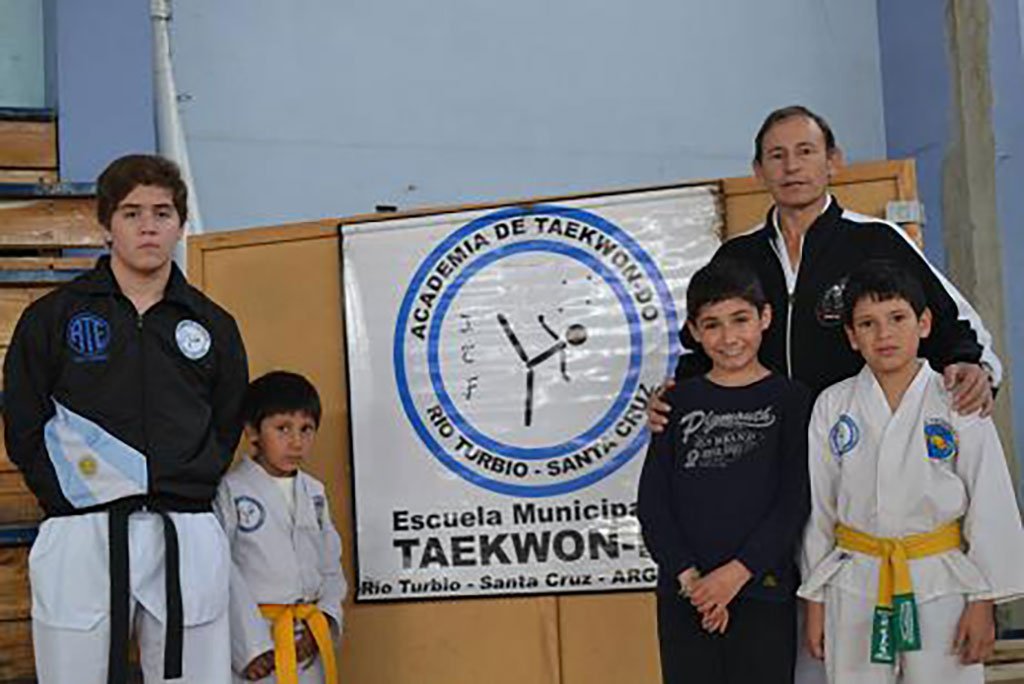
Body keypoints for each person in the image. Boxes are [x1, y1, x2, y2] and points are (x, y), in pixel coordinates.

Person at [3, 154, 249, 683]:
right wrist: (65, 492)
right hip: (83, 526)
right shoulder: (53, 316)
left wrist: (190, 479)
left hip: (184, 526)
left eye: (162, 213)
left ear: (180, 224)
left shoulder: (212, 325)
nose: (148, 226)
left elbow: (227, 419)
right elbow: (23, 417)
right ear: (106, 223)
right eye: (132, 213)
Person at [649, 105, 999, 423]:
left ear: (833, 161)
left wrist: (975, 365)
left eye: (806, 151)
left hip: (863, 436)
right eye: (777, 155)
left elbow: (955, 322)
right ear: (758, 171)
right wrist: (677, 399)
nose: (792, 167)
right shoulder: (737, 256)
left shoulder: (879, 240)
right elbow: (702, 351)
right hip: (768, 443)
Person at [798, 261, 1024, 683]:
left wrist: (984, 602)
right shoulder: (833, 405)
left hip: (941, 580)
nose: (884, 334)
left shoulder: (957, 398)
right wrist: (815, 599)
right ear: (851, 336)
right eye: (867, 323)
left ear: (923, 323)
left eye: (897, 318)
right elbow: (820, 510)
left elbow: (989, 501)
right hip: (854, 579)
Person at [638, 258, 811, 684]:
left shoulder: (793, 400)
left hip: (761, 589)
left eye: (740, 320)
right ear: (695, 332)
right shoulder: (675, 404)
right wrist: (691, 581)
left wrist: (735, 575)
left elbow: (794, 501)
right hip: (686, 595)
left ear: (765, 318)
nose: (729, 337)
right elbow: (653, 503)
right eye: (712, 324)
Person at [214, 371, 346, 684]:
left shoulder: (314, 491)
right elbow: (223, 572)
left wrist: (325, 619)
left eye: (306, 429)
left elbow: (330, 564)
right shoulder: (230, 490)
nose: (296, 442)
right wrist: (250, 648)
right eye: (283, 428)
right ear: (252, 432)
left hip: (307, 640)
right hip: (260, 643)